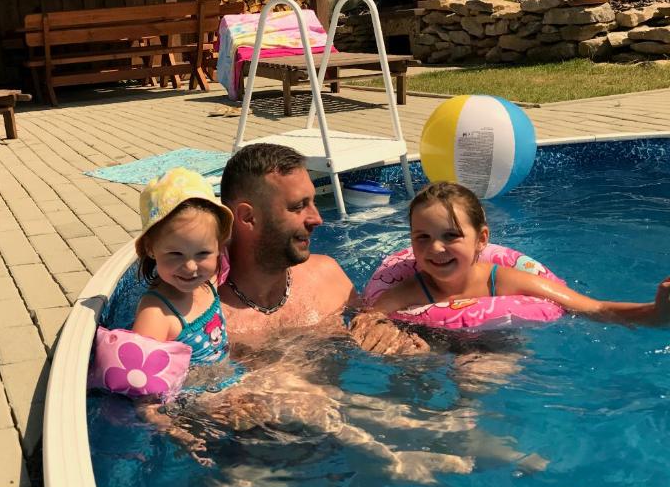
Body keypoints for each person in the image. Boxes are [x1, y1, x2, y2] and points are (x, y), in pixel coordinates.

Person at [217, 142, 428, 354]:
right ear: (248, 217)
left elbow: (370, 332)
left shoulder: (328, 278)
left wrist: (400, 346)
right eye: (298, 206)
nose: (317, 219)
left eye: (313, 202)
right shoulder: (207, 319)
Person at [365, 181, 670, 324]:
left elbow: (596, 308)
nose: (435, 248)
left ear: (481, 239)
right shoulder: (404, 293)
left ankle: (470, 432)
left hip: (493, 348)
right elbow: (365, 323)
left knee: (479, 367)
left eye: (451, 235)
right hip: (428, 347)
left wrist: (656, 311)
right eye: (422, 237)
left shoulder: (505, 281)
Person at [132, 167, 234, 365]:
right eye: (175, 254)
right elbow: (146, 390)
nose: (190, 267)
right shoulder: (156, 315)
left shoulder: (209, 282)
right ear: (150, 248)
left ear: (218, 247)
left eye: (203, 253)